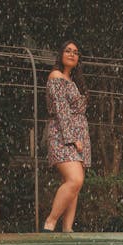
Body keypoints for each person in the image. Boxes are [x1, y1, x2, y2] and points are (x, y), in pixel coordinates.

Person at [42, 40, 91, 232]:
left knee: (74, 186)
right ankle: (50, 222)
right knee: (75, 179)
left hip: (79, 136)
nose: (72, 54)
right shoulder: (56, 76)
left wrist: (80, 138)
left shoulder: (74, 81)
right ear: (61, 54)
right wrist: (72, 138)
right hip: (62, 135)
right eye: (68, 51)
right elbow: (62, 110)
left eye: (76, 52)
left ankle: (68, 229)